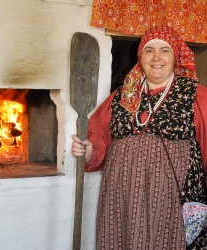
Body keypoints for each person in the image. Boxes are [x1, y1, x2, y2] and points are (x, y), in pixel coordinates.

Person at [71, 26, 207, 249]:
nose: (156, 58)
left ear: (176, 56)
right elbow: (99, 135)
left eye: (164, 50)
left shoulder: (196, 94)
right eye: (149, 50)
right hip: (122, 196)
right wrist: (88, 151)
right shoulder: (123, 94)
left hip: (171, 197)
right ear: (140, 56)